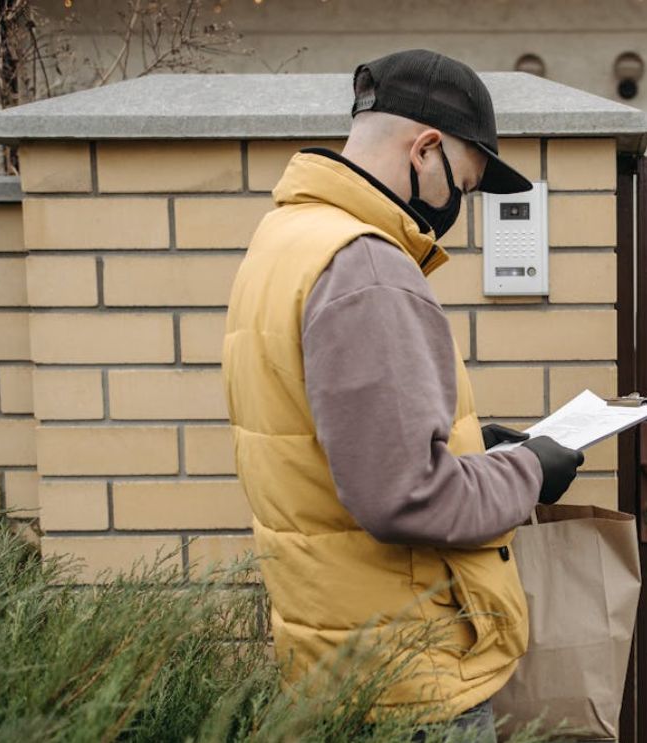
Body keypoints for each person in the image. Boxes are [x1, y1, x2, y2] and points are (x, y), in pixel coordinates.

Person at [221, 49, 585, 739]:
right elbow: (404, 495)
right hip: (407, 677)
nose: (459, 208)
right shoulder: (367, 268)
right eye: (465, 186)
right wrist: (532, 469)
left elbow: (331, 441)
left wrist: (476, 450)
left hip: (338, 654)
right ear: (424, 149)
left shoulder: (284, 239)